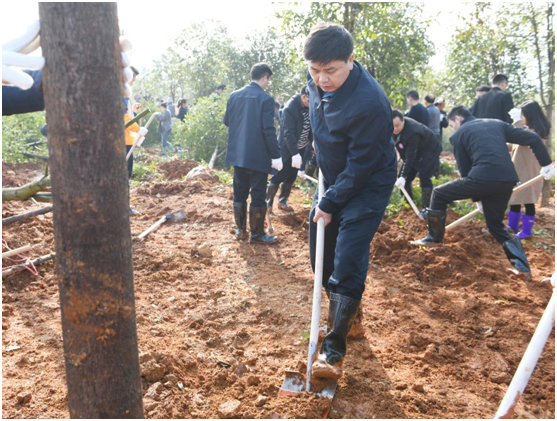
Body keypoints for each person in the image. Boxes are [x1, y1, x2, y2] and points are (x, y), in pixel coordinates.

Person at [304, 23, 397, 382]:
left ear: (351, 60)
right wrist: (312, 148)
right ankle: (351, 314)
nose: (322, 79)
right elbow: (310, 107)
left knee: (347, 255)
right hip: (332, 177)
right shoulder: (314, 82)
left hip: (368, 181)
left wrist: (329, 202)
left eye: (331, 71)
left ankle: (333, 350)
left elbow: (361, 165)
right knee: (319, 255)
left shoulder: (371, 103)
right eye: (315, 70)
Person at [411, 106, 554, 276]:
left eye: (452, 125)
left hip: (483, 177)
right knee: (495, 226)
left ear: (457, 119)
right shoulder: (497, 124)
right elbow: (533, 138)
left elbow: (465, 172)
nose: (453, 129)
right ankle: (523, 268)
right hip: (507, 180)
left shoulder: (459, 134)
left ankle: (433, 238)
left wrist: (477, 196)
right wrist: (546, 164)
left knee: (439, 193)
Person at [223, 63, 282, 244]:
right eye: (268, 80)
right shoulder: (265, 99)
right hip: (258, 156)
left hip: (238, 154)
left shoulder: (234, 96)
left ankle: (241, 231)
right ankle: (257, 234)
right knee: (257, 195)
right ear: (264, 77)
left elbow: (227, 121)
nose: (268, 83)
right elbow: (268, 130)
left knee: (239, 193)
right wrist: (276, 155)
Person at [507, 100, 552, 238]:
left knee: (528, 201)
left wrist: (516, 121)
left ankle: (526, 231)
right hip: (518, 170)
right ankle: (512, 226)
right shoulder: (527, 130)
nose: (522, 118)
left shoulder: (536, 132)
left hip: (529, 172)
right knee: (515, 199)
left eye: (523, 115)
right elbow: (516, 145)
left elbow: (521, 138)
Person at [267, 86, 312, 212]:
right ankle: (268, 202)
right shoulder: (290, 108)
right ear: (304, 97)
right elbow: (288, 133)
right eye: (311, 100)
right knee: (280, 174)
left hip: (301, 147)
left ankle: (282, 201)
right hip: (287, 147)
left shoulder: (310, 106)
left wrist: (311, 143)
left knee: (292, 175)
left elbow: (311, 127)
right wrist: (295, 154)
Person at [392, 110, 442, 212]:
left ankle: (427, 208)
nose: (394, 128)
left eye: (397, 125)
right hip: (416, 150)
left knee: (424, 176)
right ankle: (408, 204)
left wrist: (403, 175)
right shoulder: (392, 128)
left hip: (429, 150)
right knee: (404, 179)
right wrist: (402, 176)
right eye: (392, 126)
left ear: (403, 121)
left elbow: (410, 156)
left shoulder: (412, 133)